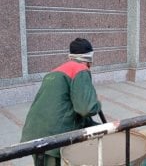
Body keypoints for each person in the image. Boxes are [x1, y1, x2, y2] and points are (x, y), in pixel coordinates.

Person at [21, 38, 102, 166]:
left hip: (34, 132)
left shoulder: (56, 71)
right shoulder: (81, 70)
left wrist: (95, 125)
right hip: (52, 137)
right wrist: (97, 104)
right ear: (90, 59)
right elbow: (86, 108)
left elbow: (65, 107)